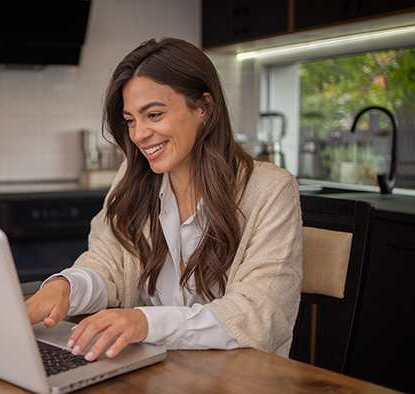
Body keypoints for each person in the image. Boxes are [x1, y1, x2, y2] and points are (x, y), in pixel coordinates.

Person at [25, 37, 303, 362]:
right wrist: (65, 287)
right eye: (130, 120)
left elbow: (259, 315)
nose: (138, 134)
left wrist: (147, 323)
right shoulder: (136, 175)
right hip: (152, 369)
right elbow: (108, 262)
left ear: (204, 108)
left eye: (153, 115)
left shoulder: (271, 190)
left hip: (232, 379)